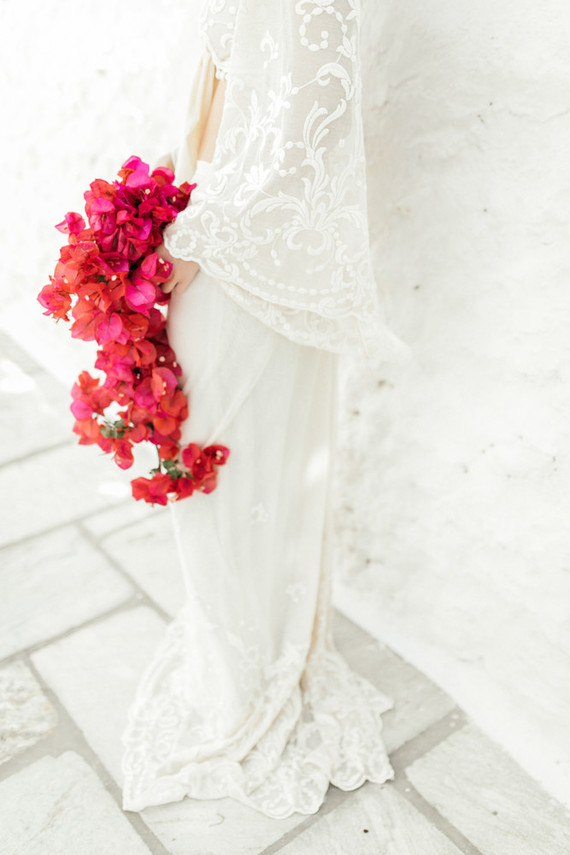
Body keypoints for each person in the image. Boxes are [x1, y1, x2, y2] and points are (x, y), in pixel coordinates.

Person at [120, 0, 411, 819]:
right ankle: (235, 661)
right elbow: (213, 128)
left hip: (253, 274)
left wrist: (185, 246)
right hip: (210, 257)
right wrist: (149, 224)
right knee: (214, 484)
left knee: (247, 476)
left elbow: (307, 133)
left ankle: (257, 676)